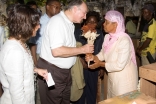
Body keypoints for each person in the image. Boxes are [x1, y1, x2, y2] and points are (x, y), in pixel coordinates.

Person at [37, 0, 94, 104]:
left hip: (63, 73)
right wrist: (82, 49)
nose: (85, 17)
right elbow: (56, 51)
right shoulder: (58, 21)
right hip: (52, 71)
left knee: (65, 101)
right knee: (52, 101)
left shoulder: (69, 23)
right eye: (84, 13)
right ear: (75, 9)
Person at [0, 4, 48, 104]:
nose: (39, 26)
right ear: (25, 26)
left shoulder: (20, 43)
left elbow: (19, 69)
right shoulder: (14, 51)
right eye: (36, 24)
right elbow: (17, 94)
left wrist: (35, 70)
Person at [85, 10, 138, 98]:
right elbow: (103, 53)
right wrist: (93, 57)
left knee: (122, 100)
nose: (103, 24)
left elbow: (119, 65)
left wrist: (100, 64)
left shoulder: (124, 40)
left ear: (115, 24)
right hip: (113, 77)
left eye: (106, 22)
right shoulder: (107, 37)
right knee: (113, 99)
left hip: (124, 79)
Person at [73, 11, 104, 104]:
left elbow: (101, 50)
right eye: (89, 22)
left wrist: (100, 66)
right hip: (80, 65)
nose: (91, 24)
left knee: (92, 89)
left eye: (94, 22)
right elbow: (74, 49)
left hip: (93, 65)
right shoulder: (78, 33)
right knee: (80, 89)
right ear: (85, 22)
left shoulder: (99, 34)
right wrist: (81, 61)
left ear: (97, 23)